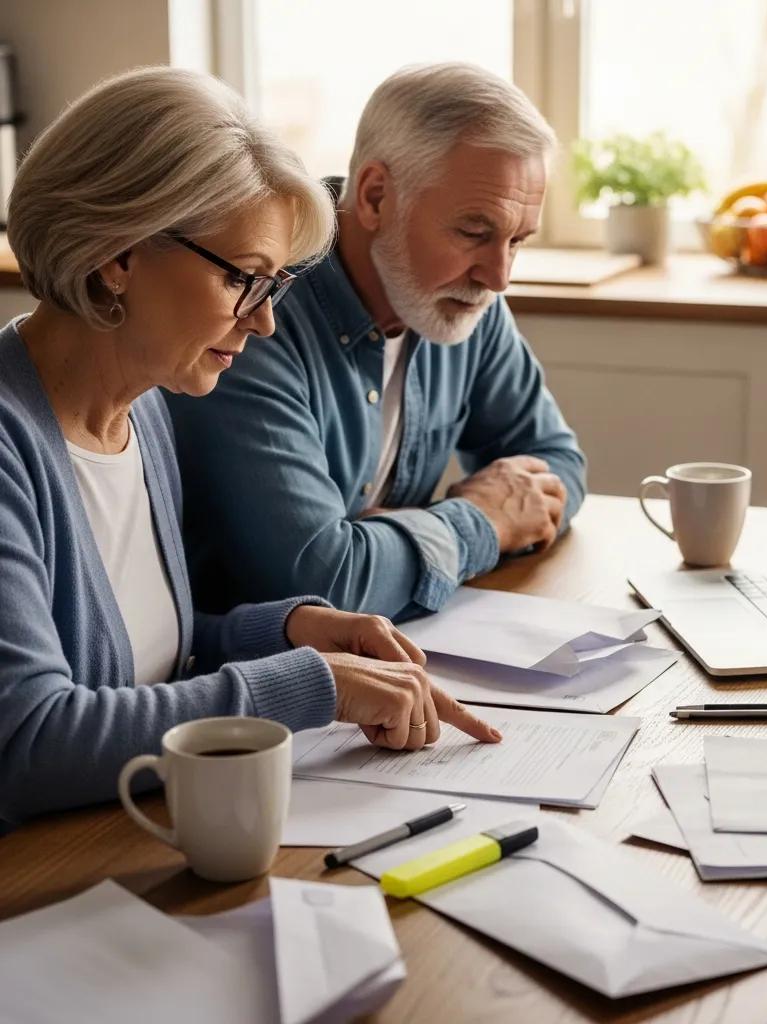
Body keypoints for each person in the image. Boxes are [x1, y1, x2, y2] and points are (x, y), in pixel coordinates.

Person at [0, 67, 499, 829]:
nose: (261, 323)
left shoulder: (145, 410)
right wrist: (309, 686)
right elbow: (29, 741)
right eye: (246, 280)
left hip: (129, 839)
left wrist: (286, 630)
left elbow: (141, 660)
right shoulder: (10, 442)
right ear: (120, 252)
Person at [166, 62, 587, 621]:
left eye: (518, 240)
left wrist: (391, 542)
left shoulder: (465, 302)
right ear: (375, 196)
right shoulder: (254, 309)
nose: (499, 276)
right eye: (473, 232)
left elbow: (558, 464)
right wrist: (480, 520)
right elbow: (325, 584)